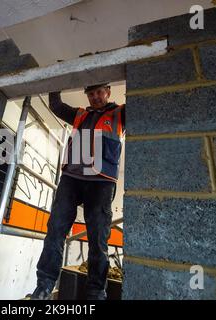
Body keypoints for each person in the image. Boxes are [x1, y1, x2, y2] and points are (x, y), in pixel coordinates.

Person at [31, 83, 125, 300]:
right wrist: (59, 78)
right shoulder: (80, 115)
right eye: (91, 94)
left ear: (108, 91)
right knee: (55, 230)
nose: (95, 97)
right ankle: (44, 287)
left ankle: (95, 292)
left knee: (98, 239)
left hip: (101, 181)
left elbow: (142, 101)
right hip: (72, 178)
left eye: (99, 92)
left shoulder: (120, 113)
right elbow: (56, 105)